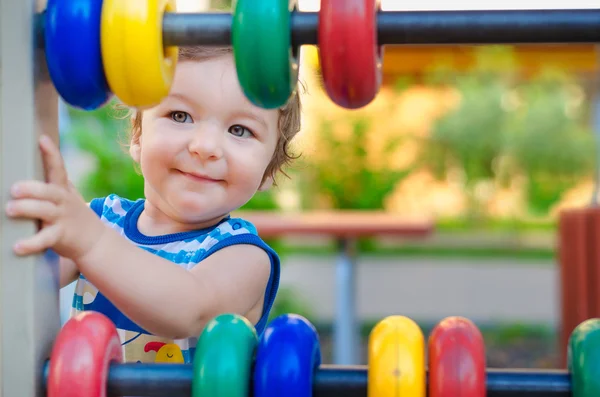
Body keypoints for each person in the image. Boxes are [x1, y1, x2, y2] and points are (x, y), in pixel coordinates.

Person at [5, 46, 302, 364]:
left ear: (269, 169)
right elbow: (25, 273)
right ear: (138, 136)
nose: (204, 147)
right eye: (180, 116)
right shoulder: (104, 220)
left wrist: (90, 242)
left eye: (240, 130)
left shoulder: (244, 257)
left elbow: (188, 310)